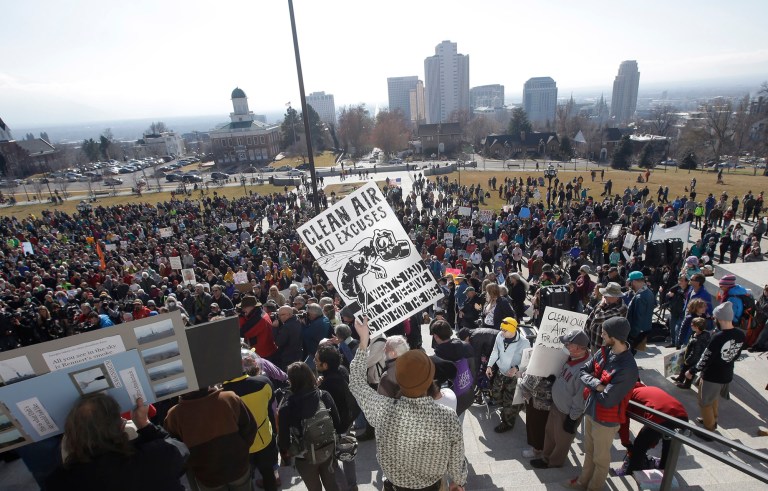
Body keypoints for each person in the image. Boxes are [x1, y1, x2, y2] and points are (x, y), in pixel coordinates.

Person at [349, 318, 468, 491]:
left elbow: (356, 383)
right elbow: (457, 460)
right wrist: (458, 481)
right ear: (430, 379)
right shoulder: (447, 416)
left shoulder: (383, 410)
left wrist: (363, 341)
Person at [46, 395, 188, 491]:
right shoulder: (156, 457)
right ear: (120, 427)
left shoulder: (59, 482)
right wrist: (145, 426)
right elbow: (182, 451)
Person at [564, 317, 638, 491]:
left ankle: (594, 487)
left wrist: (594, 386)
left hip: (606, 419)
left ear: (615, 336)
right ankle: (583, 481)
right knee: (589, 452)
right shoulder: (604, 351)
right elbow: (583, 370)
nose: (601, 335)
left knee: (600, 458)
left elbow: (608, 399)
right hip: (591, 410)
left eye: (605, 332)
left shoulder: (628, 368)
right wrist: (597, 385)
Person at [164, 386, 257, 491]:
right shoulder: (229, 398)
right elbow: (250, 429)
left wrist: (194, 465)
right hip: (238, 470)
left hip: (208, 478)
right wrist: (241, 451)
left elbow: (176, 453)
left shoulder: (173, 416)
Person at [530, 330, 590, 469]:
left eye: (568, 344)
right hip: (557, 405)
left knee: (562, 439)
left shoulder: (585, 369)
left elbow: (580, 397)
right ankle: (546, 457)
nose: (565, 346)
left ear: (577, 347)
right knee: (550, 433)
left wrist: (572, 418)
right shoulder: (572, 358)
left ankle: (554, 462)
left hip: (567, 412)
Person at [277, 361, 342, 491]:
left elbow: (283, 442)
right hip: (327, 449)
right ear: (311, 375)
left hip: (304, 457)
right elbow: (338, 423)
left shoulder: (286, 408)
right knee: (332, 485)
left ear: (291, 381)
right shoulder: (323, 395)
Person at [685, 302, 745, 437]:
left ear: (720, 319)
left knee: (704, 401)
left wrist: (692, 370)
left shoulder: (718, 337)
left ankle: (709, 429)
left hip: (712, 375)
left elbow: (706, 357)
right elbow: (737, 355)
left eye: (715, 318)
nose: (714, 320)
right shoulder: (740, 334)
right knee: (713, 399)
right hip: (727, 373)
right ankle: (712, 419)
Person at [222, 350, 279, 491]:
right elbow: (271, 410)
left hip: (242, 445)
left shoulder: (223, 394)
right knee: (268, 473)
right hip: (266, 437)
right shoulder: (264, 382)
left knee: (246, 480)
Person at [616, 382, 689, 475]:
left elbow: (623, 423)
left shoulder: (626, 396)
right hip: (682, 416)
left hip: (660, 416)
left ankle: (632, 473)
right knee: (669, 445)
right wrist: (651, 443)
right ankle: (665, 473)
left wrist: (626, 444)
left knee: (639, 446)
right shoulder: (648, 388)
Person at [315, 345, 360, 491]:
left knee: (333, 462)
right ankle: (352, 486)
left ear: (325, 365)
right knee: (347, 454)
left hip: (336, 426)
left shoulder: (328, 384)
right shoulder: (341, 371)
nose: (315, 363)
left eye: (317, 361)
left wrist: (317, 387)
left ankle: (345, 488)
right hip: (347, 420)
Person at [486, 317, 528, 433]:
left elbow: (527, 361)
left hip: (514, 377)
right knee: (496, 394)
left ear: (513, 330)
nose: (502, 332)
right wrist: (489, 365)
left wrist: (517, 368)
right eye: (502, 330)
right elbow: (495, 351)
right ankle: (513, 409)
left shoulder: (524, 342)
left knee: (509, 401)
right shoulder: (500, 336)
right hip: (501, 372)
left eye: (505, 331)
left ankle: (507, 423)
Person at [431, 319, 476, 416]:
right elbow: (473, 369)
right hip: (468, 394)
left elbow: (437, 385)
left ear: (435, 336)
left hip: (452, 401)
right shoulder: (466, 346)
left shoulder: (437, 358)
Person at [584, 282, 627, 353]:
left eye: (607, 294)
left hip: (605, 346)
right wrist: (586, 335)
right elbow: (590, 318)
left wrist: (601, 305)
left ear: (615, 296)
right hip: (593, 342)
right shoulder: (606, 302)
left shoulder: (621, 309)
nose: (604, 296)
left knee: (600, 364)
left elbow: (598, 318)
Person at [671, 317, 711, 389]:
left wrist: (688, 360)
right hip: (690, 356)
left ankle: (687, 384)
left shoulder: (698, 340)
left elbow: (695, 353)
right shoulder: (698, 334)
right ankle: (680, 378)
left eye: (692, 325)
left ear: (697, 327)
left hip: (693, 359)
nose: (691, 325)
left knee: (690, 372)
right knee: (684, 368)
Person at [626, 271, 656, 353]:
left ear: (635, 282)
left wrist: (632, 335)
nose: (629, 284)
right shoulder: (648, 292)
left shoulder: (640, 297)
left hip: (637, 331)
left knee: (630, 353)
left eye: (630, 282)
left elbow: (638, 317)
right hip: (645, 328)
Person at [271, 306, 303, 370]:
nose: (279, 317)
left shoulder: (287, 326)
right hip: (297, 354)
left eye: (282, 315)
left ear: (289, 314)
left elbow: (278, 342)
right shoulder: (297, 320)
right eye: (278, 315)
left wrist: (274, 328)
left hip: (287, 357)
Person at [664, 275, 689, 348]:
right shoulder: (676, 288)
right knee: (672, 327)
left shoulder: (688, 290)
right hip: (674, 310)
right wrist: (669, 296)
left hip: (682, 312)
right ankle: (673, 342)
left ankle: (678, 344)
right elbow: (668, 296)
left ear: (687, 282)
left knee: (678, 327)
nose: (680, 282)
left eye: (682, 281)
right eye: (679, 280)